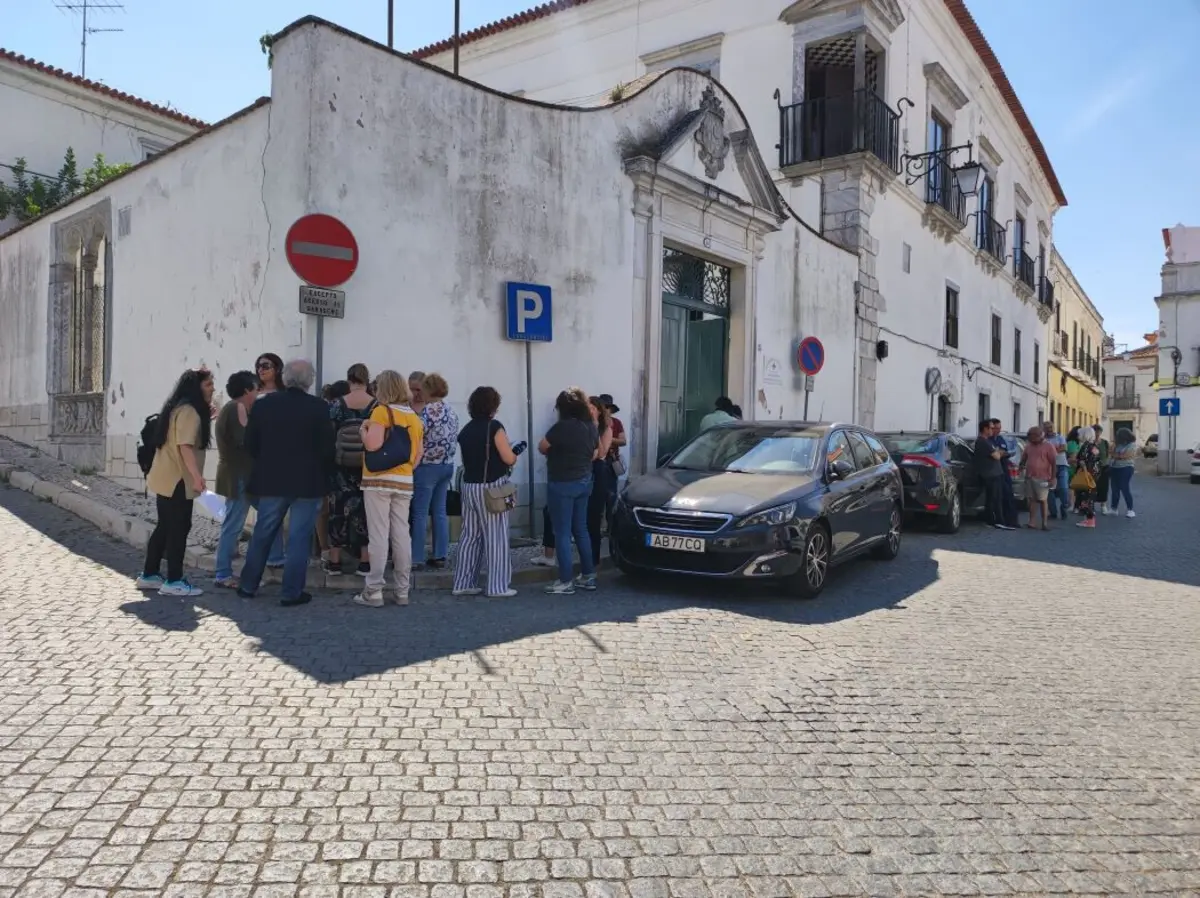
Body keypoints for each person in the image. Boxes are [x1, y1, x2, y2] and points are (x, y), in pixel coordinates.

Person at [236, 359, 333, 607]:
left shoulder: (264, 406)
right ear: (309, 381)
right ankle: (291, 592)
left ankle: (247, 585)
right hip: (307, 482)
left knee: (262, 534)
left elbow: (251, 445)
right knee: (299, 538)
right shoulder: (319, 408)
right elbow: (326, 449)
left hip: (272, 480)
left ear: (285, 378)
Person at [135, 368, 215, 597]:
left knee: (164, 526)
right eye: (209, 385)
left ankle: (149, 574)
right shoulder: (189, 412)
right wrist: (197, 478)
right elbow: (185, 447)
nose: (213, 388)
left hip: (165, 477)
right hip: (178, 479)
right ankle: (174, 580)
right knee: (179, 528)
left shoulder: (177, 408)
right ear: (197, 388)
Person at [353, 370, 423, 608]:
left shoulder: (381, 412)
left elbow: (373, 445)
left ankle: (373, 591)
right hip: (404, 481)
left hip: (378, 480)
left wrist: (363, 431)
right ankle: (402, 591)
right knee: (402, 534)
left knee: (379, 535)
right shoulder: (414, 417)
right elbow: (417, 456)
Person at [452, 386, 523, 598]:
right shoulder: (495, 427)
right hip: (492, 487)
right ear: (493, 406)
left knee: (469, 536)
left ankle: (462, 583)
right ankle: (497, 586)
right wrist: (514, 453)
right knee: (496, 537)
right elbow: (508, 457)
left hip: (469, 487)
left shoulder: (466, 430)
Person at [540, 388, 600, 595]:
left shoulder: (561, 427)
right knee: (581, 530)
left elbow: (542, 446)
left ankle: (565, 581)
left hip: (562, 482)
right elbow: (597, 452)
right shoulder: (590, 427)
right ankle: (588, 575)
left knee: (562, 533)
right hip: (584, 481)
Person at [212, 370, 260, 589]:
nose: (257, 393)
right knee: (233, 524)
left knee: (269, 512)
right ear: (247, 390)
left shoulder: (229, 409)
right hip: (240, 474)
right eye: (256, 388)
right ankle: (222, 573)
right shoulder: (238, 407)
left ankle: (275, 558)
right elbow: (245, 441)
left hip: (237, 472)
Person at [326, 363, 374, 576]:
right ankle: (365, 562)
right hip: (367, 467)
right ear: (367, 380)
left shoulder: (337, 405)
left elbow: (328, 437)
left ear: (348, 380)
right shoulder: (376, 406)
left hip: (341, 468)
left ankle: (334, 562)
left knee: (337, 511)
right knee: (366, 512)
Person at [412, 373, 460, 571]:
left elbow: (417, 437)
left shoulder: (426, 413)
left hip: (427, 466)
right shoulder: (451, 410)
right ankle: (440, 554)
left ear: (428, 390)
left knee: (420, 513)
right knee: (440, 511)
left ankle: (416, 557)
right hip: (447, 465)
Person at [251, 352, 287, 568]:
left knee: (275, 510)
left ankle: (274, 555)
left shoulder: (283, 394)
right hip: (258, 456)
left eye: (266, 365)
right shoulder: (253, 394)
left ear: (277, 369)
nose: (261, 370)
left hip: (279, 457)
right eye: (258, 366)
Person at [586, 396, 616, 569]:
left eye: (592, 408)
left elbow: (602, 452)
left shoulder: (606, 428)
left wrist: (595, 429)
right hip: (583, 470)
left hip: (598, 471)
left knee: (594, 517)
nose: (589, 411)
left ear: (598, 410)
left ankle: (594, 559)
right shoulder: (582, 426)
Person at [974, 419, 1011, 530]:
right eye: (991, 428)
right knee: (993, 498)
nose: (993, 430)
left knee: (997, 498)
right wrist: (998, 452)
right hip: (990, 475)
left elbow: (998, 452)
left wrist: (998, 451)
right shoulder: (983, 441)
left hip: (995, 473)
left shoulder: (988, 441)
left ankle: (997, 519)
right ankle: (993, 520)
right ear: (985, 429)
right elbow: (997, 456)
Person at [1020, 425, 1058, 531]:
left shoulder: (1048, 446)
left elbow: (1054, 463)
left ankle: (1044, 523)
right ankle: (1031, 522)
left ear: (1038, 436)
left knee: (1042, 500)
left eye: (1031, 437)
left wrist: (1053, 478)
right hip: (1030, 476)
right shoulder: (1029, 445)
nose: (1030, 439)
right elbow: (1024, 458)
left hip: (1043, 477)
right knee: (1032, 499)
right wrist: (1021, 465)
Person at [989, 419, 1020, 528]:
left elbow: (1004, 452)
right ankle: (1001, 520)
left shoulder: (1000, 439)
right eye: (995, 428)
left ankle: (1012, 520)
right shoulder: (988, 440)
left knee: (1009, 495)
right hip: (995, 471)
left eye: (999, 428)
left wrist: (1001, 453)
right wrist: (1000, 453)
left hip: (1004, 469)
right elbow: (996, 454)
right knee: (999, 497)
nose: (998, 430)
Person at [1073, 426, 1101, 528]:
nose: (1078, 436)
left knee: (1085, 497)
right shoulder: (1094, 446)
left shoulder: (1085, 446)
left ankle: (1089, 520)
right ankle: (1089, 520)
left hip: (1086, 475)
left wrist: (1082, 468)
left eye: (1079, 434)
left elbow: (1082, 460)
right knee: (1090, 496)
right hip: (1094, 475)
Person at [1042, 421, 1070, 520]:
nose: (1049, 429)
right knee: (1050, 490)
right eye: (1046, 428)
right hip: (1048, 467)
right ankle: (1053, 512)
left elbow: (1064, 448)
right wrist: (1056, 449)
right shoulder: (1043, 440)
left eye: (1050, 427)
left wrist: (1050, 451)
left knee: (1063, 488)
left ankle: (1064, 507)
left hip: (1062, 465)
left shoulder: (1060, 437)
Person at [1109, 427, 1138, 518]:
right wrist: (1115, 451)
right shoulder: (1117, 444)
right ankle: (1114, 509)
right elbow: (1111, 452)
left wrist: (1116, 455)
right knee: (1114, 488)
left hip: (1126, 468)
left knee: (1124, 487)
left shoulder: (1132, 445)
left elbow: (1125, 455)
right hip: (1114, 467)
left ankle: (1130, 510)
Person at [1093, 423, 1113, 515]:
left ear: (1101, 432)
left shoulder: (1105, 442)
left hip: (1104, 467)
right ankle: (1091, 506)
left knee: (1104, 487)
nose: (1097, 433)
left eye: (1098, 431)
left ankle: (1103, 506)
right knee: (1092, 487)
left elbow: (1108, 454)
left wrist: (1105, 462)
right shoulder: (1090, 443)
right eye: (1095, 431)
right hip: (1092, 468)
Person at [1066, 427, 1081, 513]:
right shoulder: (1072, 443)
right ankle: (1072, 504)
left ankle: (1074, 505)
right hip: (1073, 468)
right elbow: (1073, 458)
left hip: (1076, 467)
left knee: (1074, 487)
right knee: (1072, 487)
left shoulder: (1076, 443)